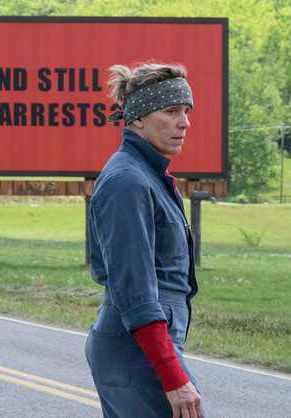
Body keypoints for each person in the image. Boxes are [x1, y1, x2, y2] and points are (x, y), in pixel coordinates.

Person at [85, 62, 204, 418]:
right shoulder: (127, 181)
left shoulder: (147, 176)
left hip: (138, 347)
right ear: (137, 118)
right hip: (136, 349)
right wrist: (174, 377)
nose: (184, 123)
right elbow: (135, 291)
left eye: (186, 111)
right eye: (171, 112)